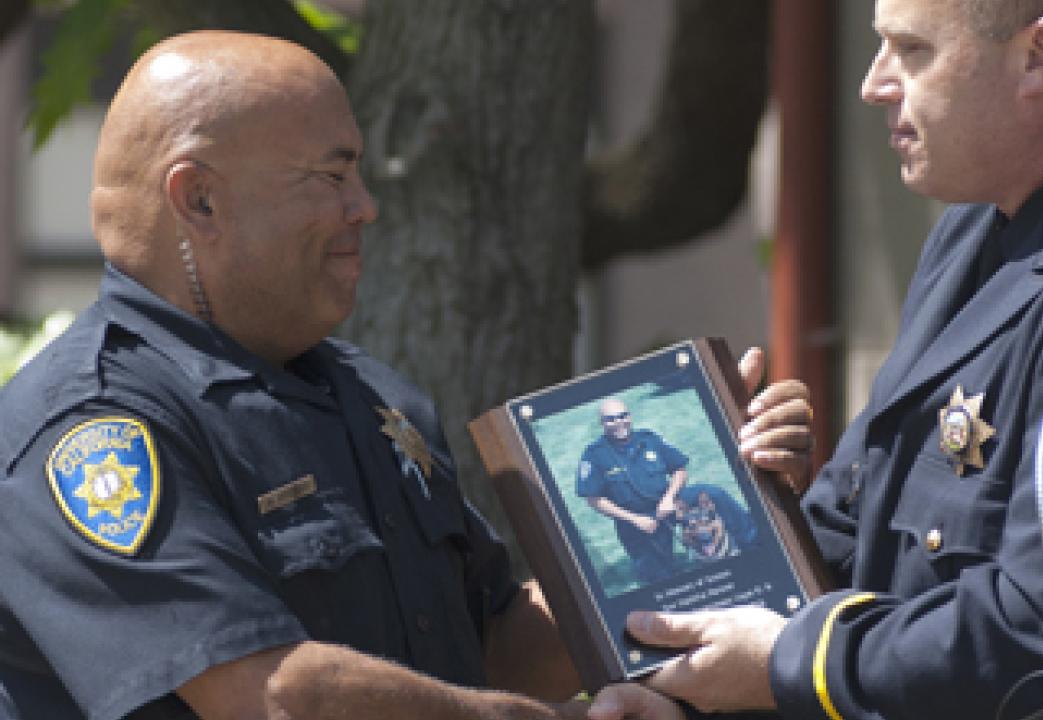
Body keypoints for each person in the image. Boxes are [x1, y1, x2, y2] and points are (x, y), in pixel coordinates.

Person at [0, 31, 816, 720]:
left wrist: (726, 481)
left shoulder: (367, 394)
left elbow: (492, 650)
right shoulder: (90, 434)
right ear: (201, 202)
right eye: (331, 175)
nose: (366, 206)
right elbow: (271, 695)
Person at [588, 1, 1043, 719]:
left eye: (911, 51)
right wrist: (698, 676)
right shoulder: (986, 224)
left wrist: (785, 662)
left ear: (1041, 56)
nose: (874, 83)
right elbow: (858, 530)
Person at [578, 398, 690, 583]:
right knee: (657, 576)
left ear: (630, 416)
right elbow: (594, 499)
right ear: (602, 423)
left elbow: (679, 469)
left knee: (690, 556)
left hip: (666, 509)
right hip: (632, 524)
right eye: (611, 419)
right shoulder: (595, 454)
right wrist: (635, 520)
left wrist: (669, 498)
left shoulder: (650, 439)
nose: (619, 423)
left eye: (623, 416)